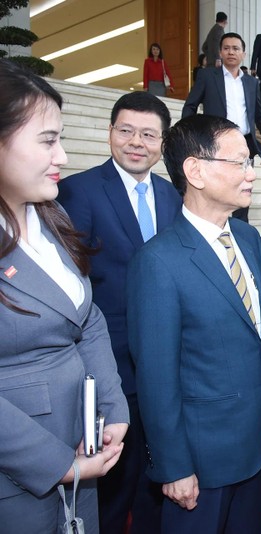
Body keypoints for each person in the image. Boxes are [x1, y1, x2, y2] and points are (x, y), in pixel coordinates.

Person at [127, 114, 261, 534]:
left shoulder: (249, 240)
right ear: (195, 170)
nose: (251, 174)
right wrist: (173, 466)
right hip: (199, 460)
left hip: (254, 447)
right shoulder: (158, 261)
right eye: (239, 163)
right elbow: (157, 378)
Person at [0, 58, 128, 533]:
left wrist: (112, 406)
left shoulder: (49, 217)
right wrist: (59, 464)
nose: (64, 158)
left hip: (81, 447)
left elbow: (86, 316)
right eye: (48, 141)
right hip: (23, 471)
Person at [57, 91, 182, 534]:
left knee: (158, 476)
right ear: (110, 133)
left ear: (162, 142)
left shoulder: (172, 196)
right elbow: (71, 282)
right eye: (126, 130)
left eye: (148, 134)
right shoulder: (78, 190)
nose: (136, 142)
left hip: (166, 364)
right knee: (111, 486)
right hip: (108, 365)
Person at [183, 32, 261, 222]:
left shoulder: (252, 82)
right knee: (216, 190)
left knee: (243, 190)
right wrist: (189, 136)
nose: (231, 52)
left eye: (236, 48)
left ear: (243, 53)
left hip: (244, 145)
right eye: (226, 48)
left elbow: (260, 115)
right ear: (220, 52)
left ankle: (240, 232)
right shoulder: (207, 76)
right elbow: (190, 106)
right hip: (215, 146)